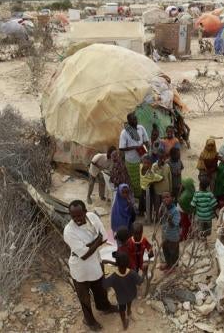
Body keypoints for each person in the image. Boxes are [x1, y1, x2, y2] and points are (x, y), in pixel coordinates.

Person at [63, 200, 117, 331]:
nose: (77, 219)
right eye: (73, 217)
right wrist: (96, 240)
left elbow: (104, 238)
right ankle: (90, 321)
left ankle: (104, 307)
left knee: (100, 289)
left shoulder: (92, 217)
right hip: (80, 269)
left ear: (85, 212)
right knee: (84, 298)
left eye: (79, 215)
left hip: (95, 262)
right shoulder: (69, 231)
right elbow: (84, 255)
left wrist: (90, 245)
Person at [103, 251, 143, 330]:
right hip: (131, 294)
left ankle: (124, 323)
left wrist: (103, 273)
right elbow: (140, 281)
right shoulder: (132, 273)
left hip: (121, 298)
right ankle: (129, 311)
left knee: (121, 309)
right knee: (129, 301)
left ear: (116, 264)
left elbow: (104, 285)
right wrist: (144, 272)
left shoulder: (113, 277)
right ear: (128, 263)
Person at [119, 113, 149, 198]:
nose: (135, 121)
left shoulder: (141, 128)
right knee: (134, 182)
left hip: (142, 158)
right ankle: (137, 198)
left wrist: (146, 150)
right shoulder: (124, 133)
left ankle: (143, 196)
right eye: (132, 120)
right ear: (128, 121)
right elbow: (121, 148)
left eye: (135, 119)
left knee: (144, 178)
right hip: (131, 161)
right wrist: (135, 147)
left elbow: (146, 141)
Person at [159, 191, 181, 272]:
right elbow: (160, 219)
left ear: (172, 198)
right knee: (166, 250)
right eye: (163, 198)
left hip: (173, 237)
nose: (165, 199)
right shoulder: (164, 208)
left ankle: (172, 267)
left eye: (167, 197)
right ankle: (168, 264)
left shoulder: (175, 211)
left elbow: (172, 225)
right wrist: (161, 211)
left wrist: (166, 214)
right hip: (165, 235)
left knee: (173, 252)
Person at [152, 150, 172, 217]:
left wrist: (170, 189)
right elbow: (153, 177)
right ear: (157, 158)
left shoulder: (167, 166)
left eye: (163, 158)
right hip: (157, 190)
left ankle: (164, 218)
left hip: (166, 190)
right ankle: (157, 217)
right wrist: (159, 168)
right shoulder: (154, 166)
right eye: (160, 158)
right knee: (157, 205)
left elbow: (170, 178)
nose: (162, 160)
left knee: (165, 205)